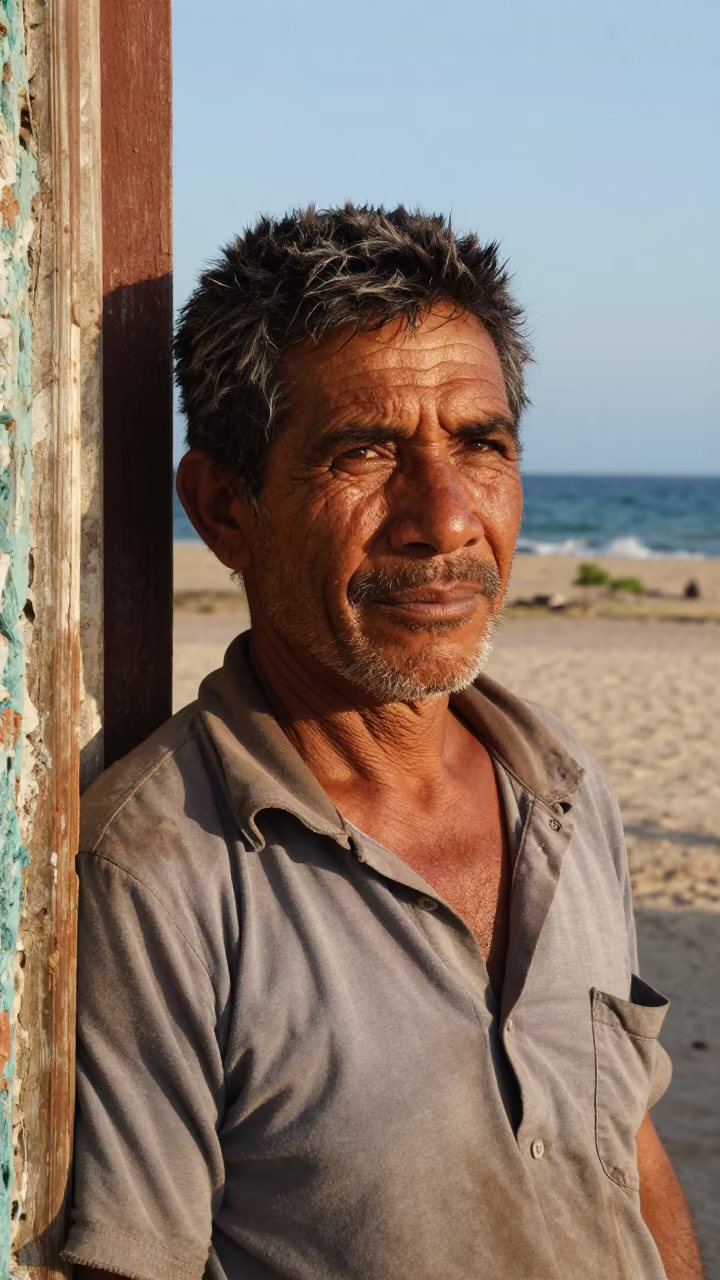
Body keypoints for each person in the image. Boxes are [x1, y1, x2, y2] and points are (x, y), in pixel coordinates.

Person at [64, 205, 703, 1280]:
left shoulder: (564, 786)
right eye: (364, 451)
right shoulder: (158, 871)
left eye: (481, 445)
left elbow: (626, 1152)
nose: (445, 517)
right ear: (226, 510)